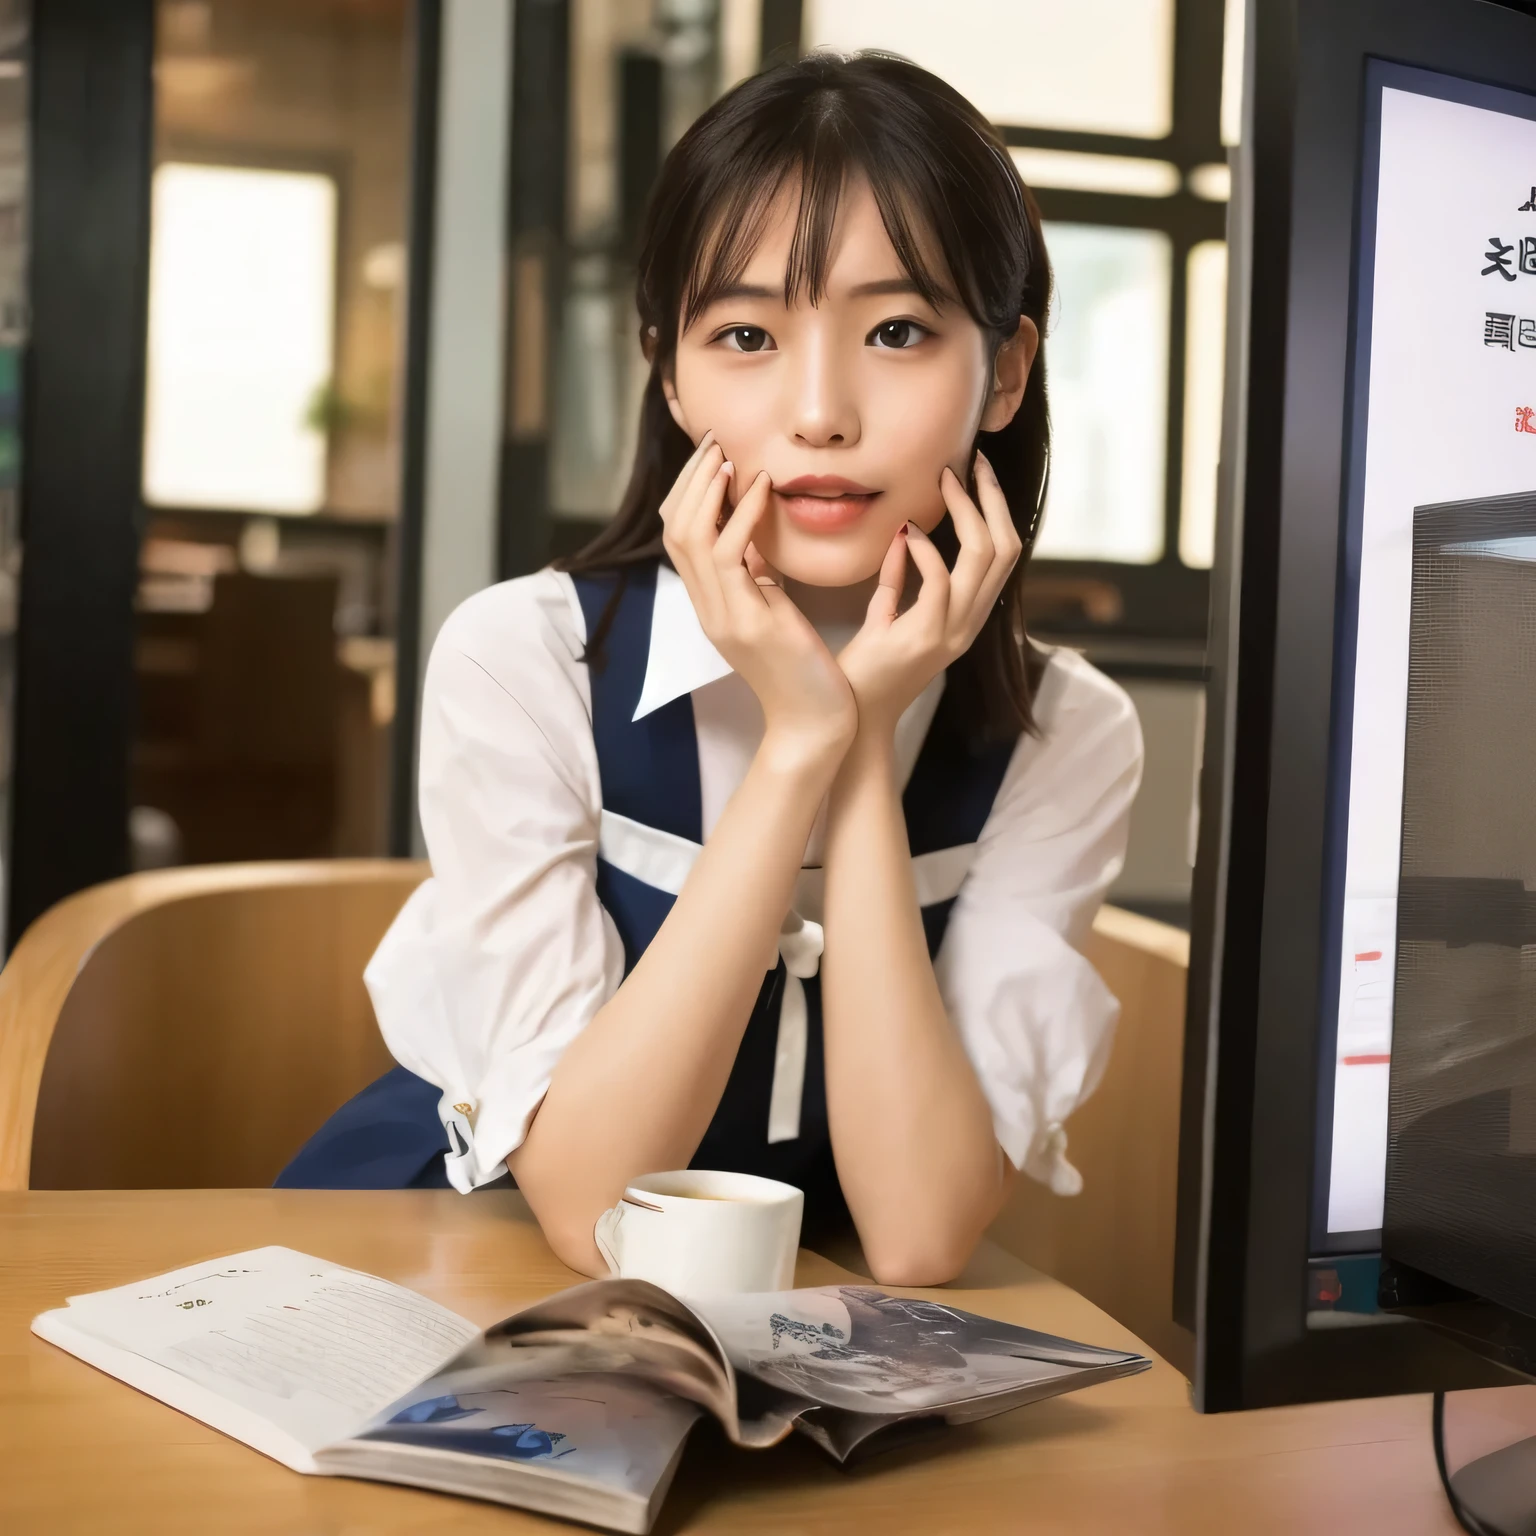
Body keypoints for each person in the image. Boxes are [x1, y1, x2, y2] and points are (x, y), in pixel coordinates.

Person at [278, 51, 1143, 1286]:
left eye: (897, 330)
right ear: (671, 376)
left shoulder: (1067, 734)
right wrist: (800, 743)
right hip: (452, 1265)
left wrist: (854, 744)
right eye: (745, 335)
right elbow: (587, 1212)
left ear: (1005, 369)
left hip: (797, 1321)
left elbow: (916, 1238)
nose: (819, 411)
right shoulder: (530, 658)